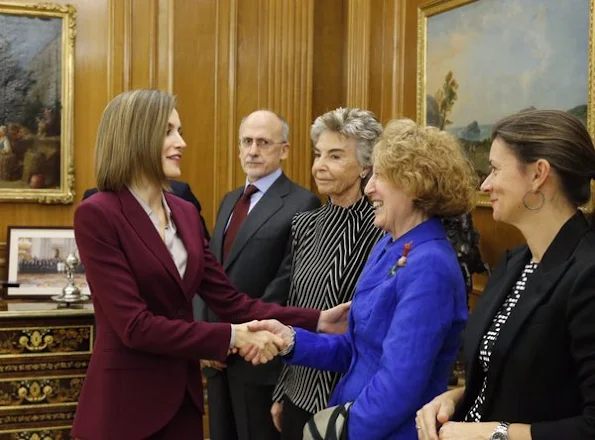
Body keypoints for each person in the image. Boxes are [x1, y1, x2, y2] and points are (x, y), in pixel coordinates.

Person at [71, 89, 348, 440]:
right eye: (169, 131)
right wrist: (233, 336)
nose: (181, 142)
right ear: (137, 137)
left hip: (182, 405)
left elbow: (232, 302)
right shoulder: (98, 214)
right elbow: (134, 326)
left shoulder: (185, 213)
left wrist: (318, 320)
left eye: (180, 131)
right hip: (123, 408)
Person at [252, 118, 476, 439]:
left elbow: (400, 386)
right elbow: (356, 350)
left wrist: (339, 431)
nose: (369, 188)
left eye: (380, 176)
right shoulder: (390, 243)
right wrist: (292, 340)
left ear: (413, 184)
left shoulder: (431, 266)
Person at [415, 109, 595, 440]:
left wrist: (492, 434)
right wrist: (456, 399)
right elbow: (504, 373)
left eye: (495, 169)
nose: (485, 184)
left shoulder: (587, 273)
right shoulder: (514, 262)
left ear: (539, 174)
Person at [195, 110, 320, 440]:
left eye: (263, 142)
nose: (253, 150)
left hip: (257, 357)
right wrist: (210, 335)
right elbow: (205, 269)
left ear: (284, 150)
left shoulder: (303, 203)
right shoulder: (229, 200)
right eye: (247, 142)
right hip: (216, 356)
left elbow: (287, 282)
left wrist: (239, 338)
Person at [269, 107, 384, 439]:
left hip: (352, 394)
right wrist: (282, 389)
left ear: (366, 165)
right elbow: (295, 306)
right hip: (298, 390)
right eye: (318, 154)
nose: (319, 165)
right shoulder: (304, 224)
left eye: (335, 156)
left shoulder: (383, 227)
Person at [82, 180, 211, 239]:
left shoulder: (180, 196)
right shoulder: (94, 203)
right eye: (167, 133)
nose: (181, 143)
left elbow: (204, 257)